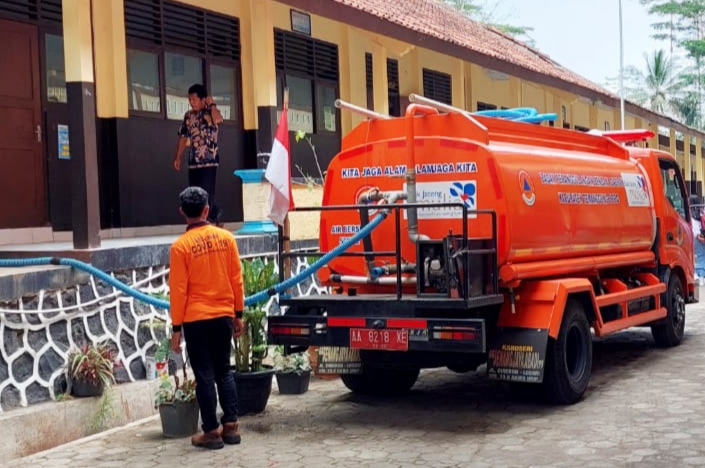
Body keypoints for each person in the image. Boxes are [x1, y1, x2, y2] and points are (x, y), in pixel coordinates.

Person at [169, 186, 245, 450]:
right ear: (206, 209)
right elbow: (237, 279)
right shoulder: (227, 239)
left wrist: (176, 328)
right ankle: (232, 427)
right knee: (225, 370)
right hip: (224, 314)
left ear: (182, 212)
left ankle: (211, 431)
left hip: (195, 319)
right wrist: (238, 314)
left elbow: (178, 291)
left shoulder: (180, 247)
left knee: (204, 375)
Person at [174, 84, 224, 226]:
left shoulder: (210, 112)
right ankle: (214, 217)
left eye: (195, 99)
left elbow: (219, 119)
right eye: (190, 99)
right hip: (193, 161)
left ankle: (209, 221)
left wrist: (212, 104)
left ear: (203, 99)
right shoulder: (188, 116)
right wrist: (178, 156)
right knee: (195, 193)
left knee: (207, 192)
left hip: (209, 161)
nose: (192, 102)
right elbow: (183, 136)